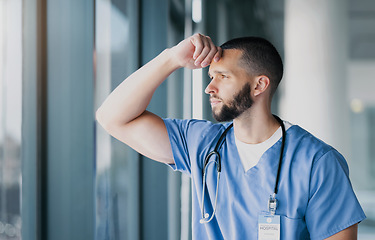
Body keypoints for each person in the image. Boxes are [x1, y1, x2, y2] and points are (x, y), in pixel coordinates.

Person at [96, 33, 366, 239]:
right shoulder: (200, 143)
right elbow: (111, 117)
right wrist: (172, 58)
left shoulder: (317, 163)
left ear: (259, 84)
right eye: (210, 76)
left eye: (222, 76)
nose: (209, 88)